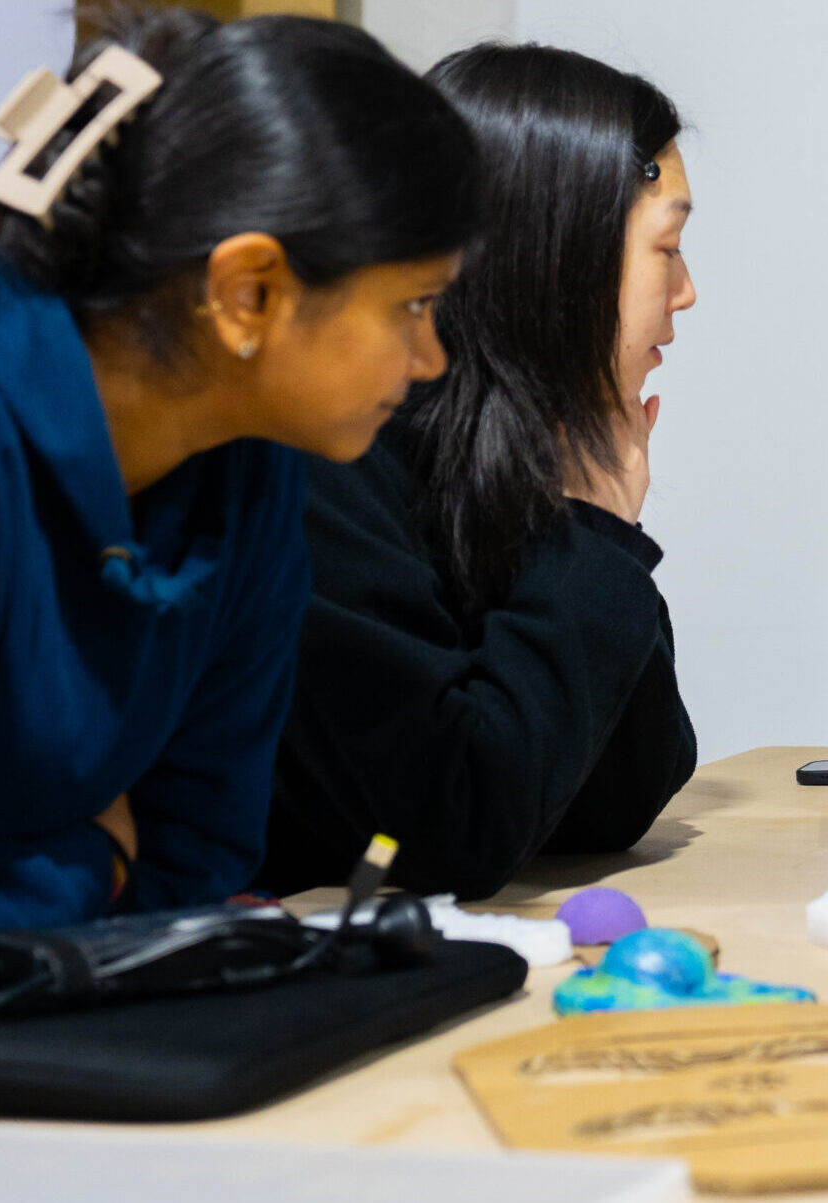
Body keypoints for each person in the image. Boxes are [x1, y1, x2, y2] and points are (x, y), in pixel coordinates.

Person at [0, 10, 479, 1013]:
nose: (432, 361)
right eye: (412, 307)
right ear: (247, 292)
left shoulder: (247, 463)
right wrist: (91, 862)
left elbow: (196, 868)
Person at [257, 44, 698, 901]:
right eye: (668, 248)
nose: (686, 292)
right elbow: (454, 830)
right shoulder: (324, 461)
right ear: (557, 260)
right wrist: (596, 532)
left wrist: (595, 523)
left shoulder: (507, 454)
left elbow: (613, 802)